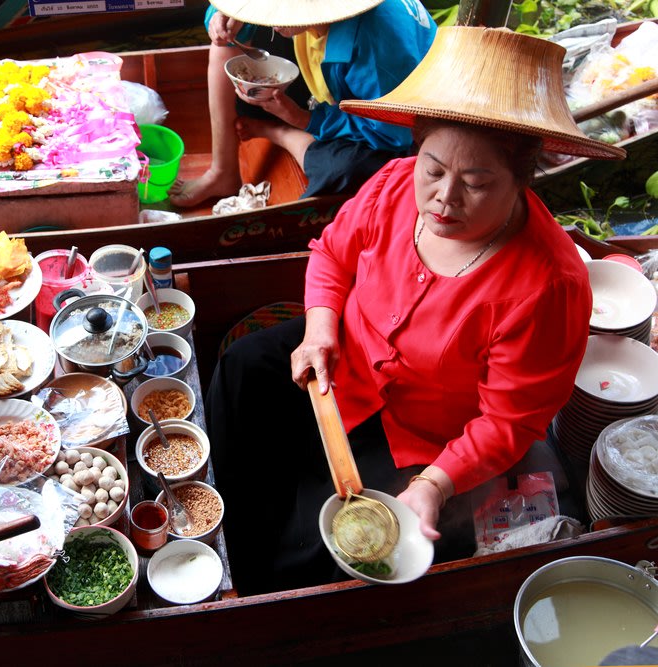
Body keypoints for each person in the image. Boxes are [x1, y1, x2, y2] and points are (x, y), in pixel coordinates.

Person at [206, 26, 626, 596]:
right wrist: (321, 329)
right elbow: (332, 254)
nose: (443, 198)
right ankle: (218, 517)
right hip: (343, 359)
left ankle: (260, 593)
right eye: (434, 170)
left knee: (328, 546)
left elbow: (508, 422)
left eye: (476, 183)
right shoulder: (394, 183)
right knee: (245, 366)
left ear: (523, 180)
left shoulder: (548, 285)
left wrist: (436, 484)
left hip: (425, 435)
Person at [167, 0, 435, 208]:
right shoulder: (313, 15)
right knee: (228, 45)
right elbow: (228, 18)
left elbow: (391, 134)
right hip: (336, 88)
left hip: (398, 132)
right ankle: (222, 171)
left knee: (341, 171)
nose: (268, 17)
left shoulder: (376, 48)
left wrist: (303, 120)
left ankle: (282, 133)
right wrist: (229, 18)